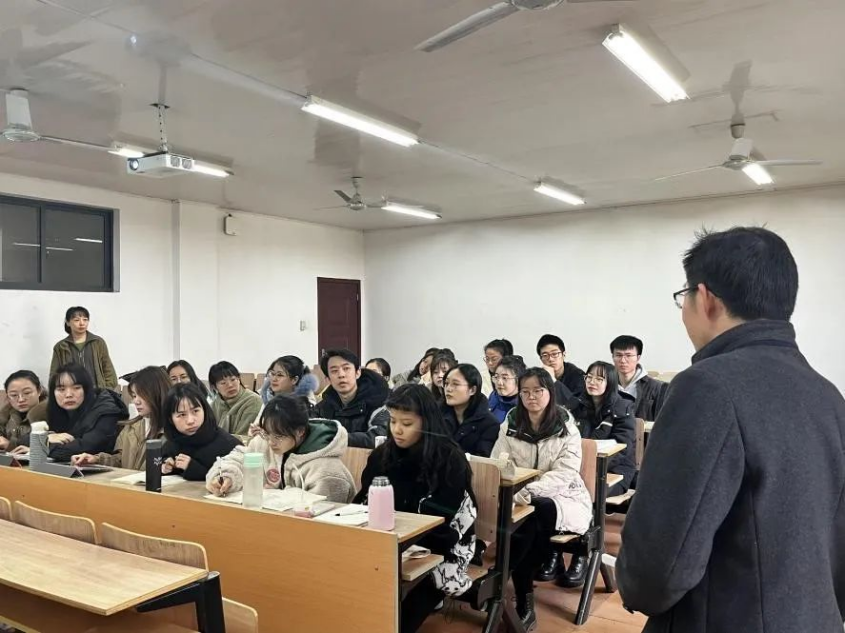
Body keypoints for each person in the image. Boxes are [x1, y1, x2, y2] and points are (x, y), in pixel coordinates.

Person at [617, 227, 845, 633]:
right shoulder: (828, 395)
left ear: (705, 298)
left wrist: (635, 587)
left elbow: (660, 564)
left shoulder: (706, 387)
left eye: (683, 297)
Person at [354, 384, 477, 633]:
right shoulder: (382, 455)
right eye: (393, 421)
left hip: (443, 543)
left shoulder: (449, 459)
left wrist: (403, 544)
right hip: (390, 539)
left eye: (407, 423)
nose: (397, 430)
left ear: (426, 422)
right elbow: (362, 502)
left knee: (405, 612)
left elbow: (444, 521)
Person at [491, 367, 591, 630]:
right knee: (528, 524)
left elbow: (566, 473)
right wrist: (516, 490)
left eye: (538, 390)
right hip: (520, 496)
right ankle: (519, 595)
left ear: (550, 392)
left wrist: (529, 492)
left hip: (565, 496)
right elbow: (498, 461)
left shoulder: (565, 425)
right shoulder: (512, 422)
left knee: (536, 511)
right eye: (525, 392)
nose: (531, 397)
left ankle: (502, 581)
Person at [559, 361, 635, 588]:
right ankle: (554, 554)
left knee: (586, 493)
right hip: (577, 470)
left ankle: (581, 555)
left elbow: (623, 449)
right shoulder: (575, 404)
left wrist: (591, 463)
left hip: (614, 472)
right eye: (589, 377)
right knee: (555, 490)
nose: (592, 382)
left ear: (609, 382)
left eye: (599, 379)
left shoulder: (623, 407)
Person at [207, 394, 355, 502]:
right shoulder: (263, 442)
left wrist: (275, 495)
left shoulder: (328, 471)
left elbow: (320, 512)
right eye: (267, 433)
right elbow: (240, 458)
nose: (271, 442)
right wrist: (226, 476)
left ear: (300, 431)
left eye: (278, 436)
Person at [11, 364, 127, 462]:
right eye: (61, 389)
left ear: (87, 390)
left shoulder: (107, 411)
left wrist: (40, 446)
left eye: (76, 388)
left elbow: (85, 448)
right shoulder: (51, 408)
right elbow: (23, 439)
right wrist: (47, 437)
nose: (68, 394)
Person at [71, 366, 171, 470]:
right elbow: (119, 460)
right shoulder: (130, 427)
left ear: (157, 393)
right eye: (134, 396)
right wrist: (96, 459)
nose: (136, 401)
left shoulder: (172, 432)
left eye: (142, 395)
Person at [161, 383, 241, 480]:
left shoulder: (228, 445)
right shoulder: (171, 443)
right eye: (182, 415)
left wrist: (193, 469)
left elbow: (237, 477)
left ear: (204, 410)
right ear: (171, 419)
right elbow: (159, 462)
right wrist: (165, 466)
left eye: (195, 411)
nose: (190, 421)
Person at [314, 349, 390, 448]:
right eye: (334, 371)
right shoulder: (322, 407)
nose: (341, 375)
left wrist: (335, 438)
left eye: (346, 368)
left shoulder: (379, 403)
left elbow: (378, 438)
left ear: (357, 373)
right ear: (328, 380)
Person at [49, 306, 118, 390]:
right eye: (76, 320)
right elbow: (54, 375)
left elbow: (108, 370)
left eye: (85, 319)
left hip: (98, 393)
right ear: (68, 323)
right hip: (72, 393)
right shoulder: (60, 347)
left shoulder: (98, 342)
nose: (82, 323)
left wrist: (106, 390)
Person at [441, 364, 501, 457]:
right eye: (446, 383)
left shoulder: (490, 424)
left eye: (455, 384)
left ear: (472, 390)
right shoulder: (436, 414)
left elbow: (482, 459)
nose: (448, 389)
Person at [610, 335, 669, 420]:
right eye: (618, 355)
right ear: (613, 357)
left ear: (638, 357)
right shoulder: (605, 384)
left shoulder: (657, 388)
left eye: (628, 355)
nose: (623, 360)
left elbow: (662, 421)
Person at [209, 361, 262, 437]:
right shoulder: (213, 405)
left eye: (233, 379)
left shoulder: (253, 401)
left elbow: (243, 436)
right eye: (223, 383)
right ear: (214, 387)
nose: (230, 385)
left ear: (239, 379)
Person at [536, 334, 584, 408]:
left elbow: (576, 406)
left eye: (554, 354)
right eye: (545, 355)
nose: (550, 359)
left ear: (563, 355)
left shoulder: (578, 376)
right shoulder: (538, 378)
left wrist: (554, 381)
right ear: (541, 359)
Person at [488, 355, 526, 422]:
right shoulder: (494, 396)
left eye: (504, 378)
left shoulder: (526, 403)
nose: (499, 382)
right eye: (496, 377)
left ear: (519, 380)